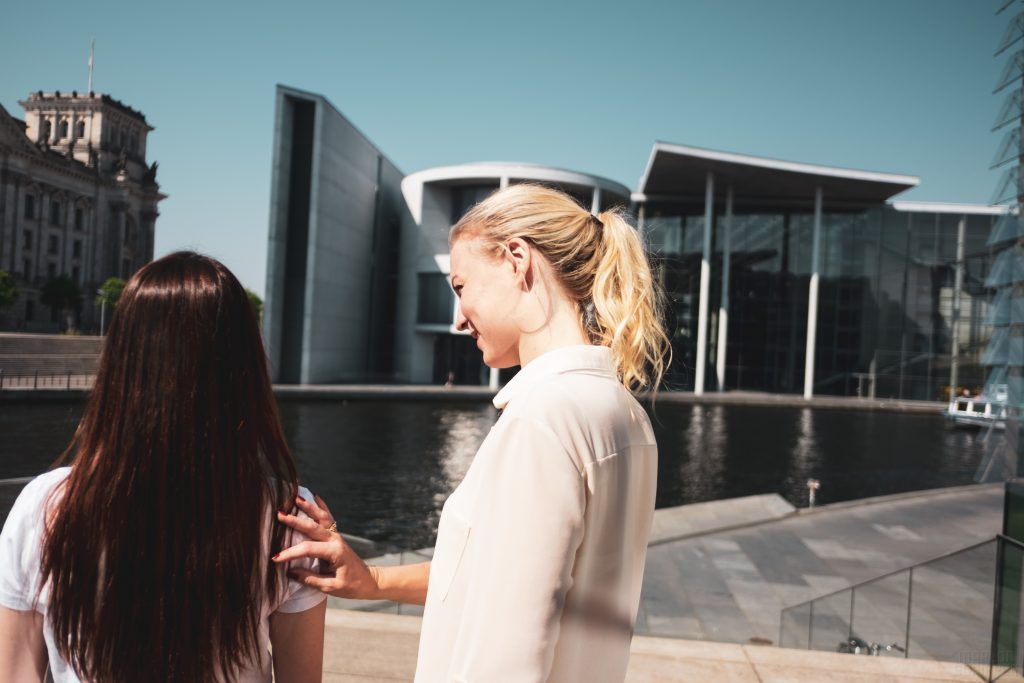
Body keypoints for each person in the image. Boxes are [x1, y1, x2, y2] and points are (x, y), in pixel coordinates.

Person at [275, 184, 670, 682]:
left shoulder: (542, 419)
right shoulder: (624, 414)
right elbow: (505, 581)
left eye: (461, 288)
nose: (459, 319)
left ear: (517, 260)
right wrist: (372, 579)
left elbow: (510, 655)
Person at [0, 251, 326, 683]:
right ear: (243, 369)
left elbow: (17, 673)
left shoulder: (44, 506)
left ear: (121, 362)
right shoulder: (290, 516)